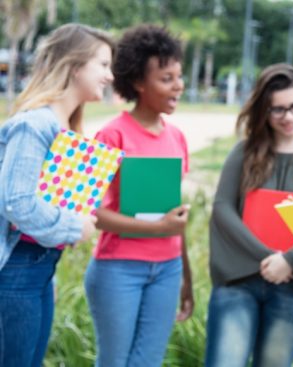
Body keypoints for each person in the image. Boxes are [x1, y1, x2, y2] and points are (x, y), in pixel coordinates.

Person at [206, 63, 293, 367]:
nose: (289, 116)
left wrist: (289, 260)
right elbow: (222, 210)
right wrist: (270, 257)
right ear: (264, 112)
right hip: (238, 280)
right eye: (277, 110)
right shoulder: (244, 152)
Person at [0, 23, 113, 367]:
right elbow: (16, 202)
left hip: (39, 267)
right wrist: (74, 227)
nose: (110, 75)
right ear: (75, 65)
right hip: (17, 268)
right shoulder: (34, 125)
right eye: (104, 64)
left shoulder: (66, 129)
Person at [83, 25, 193, 367]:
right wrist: (158, 228)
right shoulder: (110, 134)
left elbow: (176, 218)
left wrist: (186, 276)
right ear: (138, 83)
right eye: (166, 78)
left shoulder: (177, 137)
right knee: (114, 362)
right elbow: (91, 211)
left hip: (168, 269)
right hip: (119, 268)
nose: (178, 85)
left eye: (179, 76)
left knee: (148, 361)